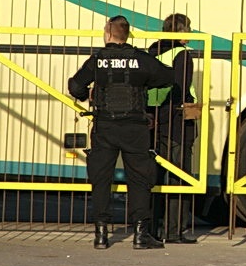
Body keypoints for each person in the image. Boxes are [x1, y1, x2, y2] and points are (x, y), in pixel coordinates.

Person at [67, 15, 174, 250]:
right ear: (127, 34)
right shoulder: (140, 59)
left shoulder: (98, 59)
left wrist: (88, 95)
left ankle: (101, 235)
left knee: (101, 180)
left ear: (108, 32)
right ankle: (140, 234)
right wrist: (146, 83)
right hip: (135, 128)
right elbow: (168, 76)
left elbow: (75, 86)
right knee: (138, 180)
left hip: (105, 126)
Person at [147, 13, 200, 244]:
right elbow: (179, 89)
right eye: (188, 29)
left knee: (155, 177)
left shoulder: (152, 51)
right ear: (179, 32)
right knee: (179, 177)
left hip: (153, 121)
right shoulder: (182, 55)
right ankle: (174, 231)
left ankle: (151, 229)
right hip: (176, 123)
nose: (190, 34)